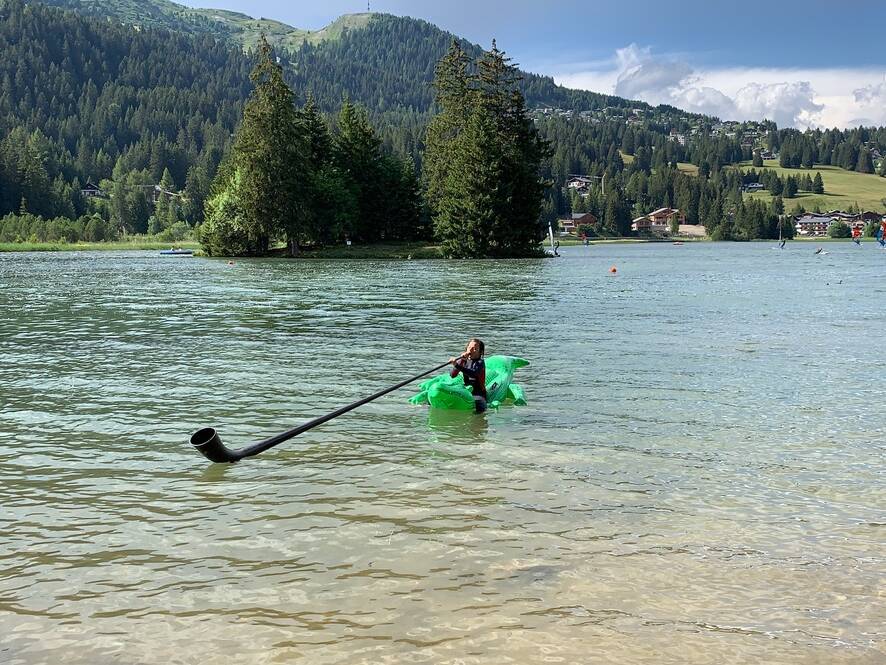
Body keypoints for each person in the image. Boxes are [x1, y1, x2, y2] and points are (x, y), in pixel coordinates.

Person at [449, 338, 487, 413]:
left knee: (480, 404)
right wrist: (461, 361)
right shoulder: (464, 360)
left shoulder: (480, 362)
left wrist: (457, 365)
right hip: (466, 389)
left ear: (481, 352)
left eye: (475, 349)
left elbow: (473, 374)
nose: (470, 351)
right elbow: (452, 375)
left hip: (478, 393)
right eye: (469, 348)